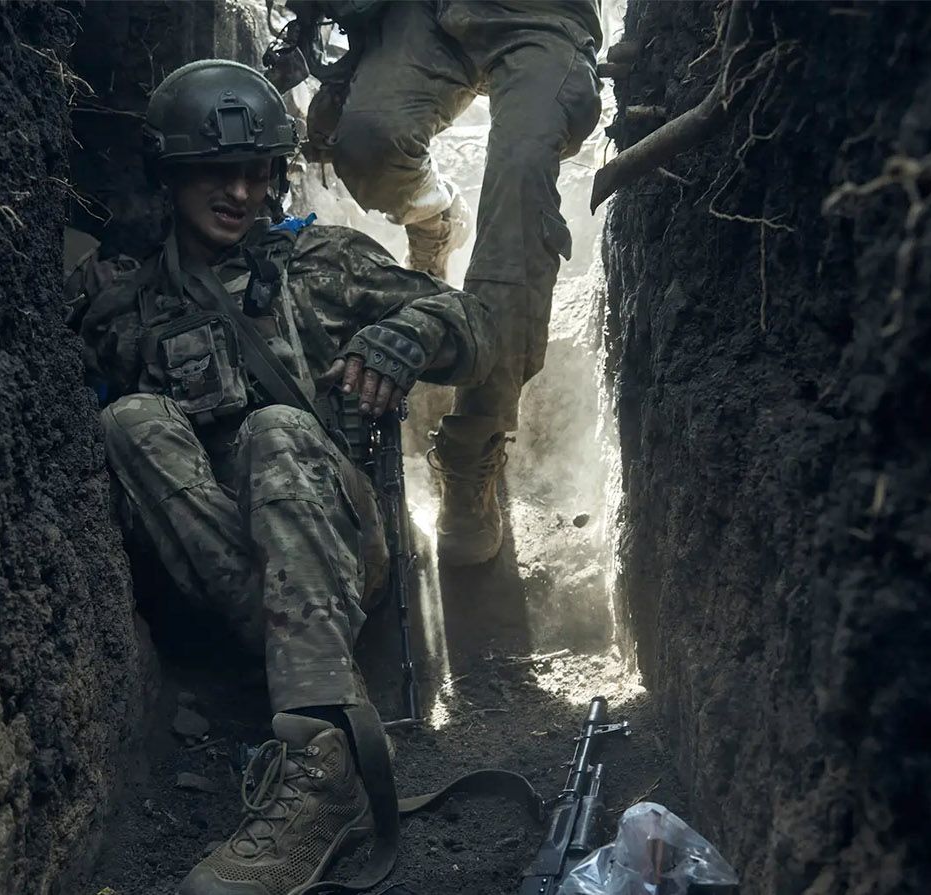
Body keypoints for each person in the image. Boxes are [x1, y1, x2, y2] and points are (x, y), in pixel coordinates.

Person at [65, 59, 494, 895]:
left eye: (256, 170)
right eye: (214, 172)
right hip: (219, 573)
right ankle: (318, 732)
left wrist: (407, 335)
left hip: (340, 549)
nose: (239, 191)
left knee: (276, 428)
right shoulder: (123, 296)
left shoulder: (319, 263)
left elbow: (469, 323)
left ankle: (322, 761)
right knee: (130, 421)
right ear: (171, 176)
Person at [310, 0, 603, 565]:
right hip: (427, 10)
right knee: (369, 142)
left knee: (519, 194)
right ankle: (434, 220)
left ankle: (473, 445)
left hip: (541, 13)